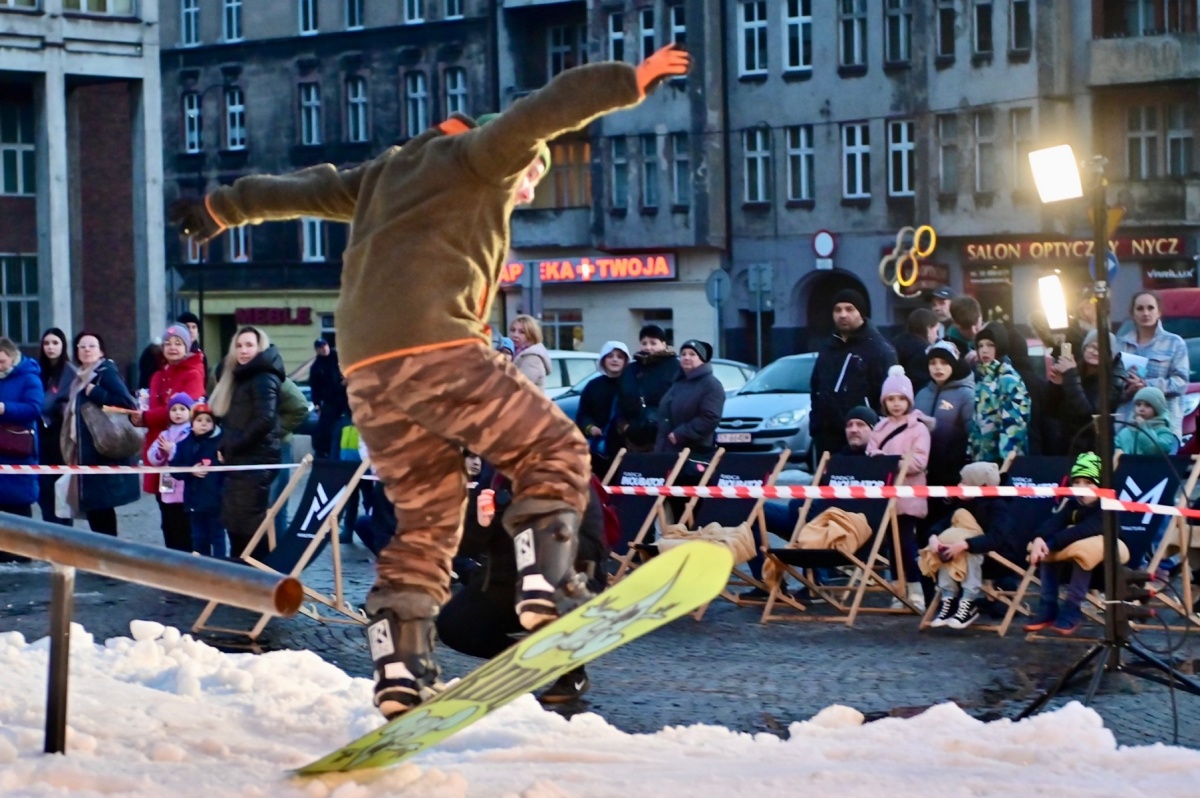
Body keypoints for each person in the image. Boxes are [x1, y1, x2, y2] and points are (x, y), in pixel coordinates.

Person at [168, 44, 692, 720]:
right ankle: (546, 582)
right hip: (437, 349)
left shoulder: (383, 173)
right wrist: (632, 80)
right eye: (529, 178)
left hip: (367, 371)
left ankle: (399, 664)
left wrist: (220, 207)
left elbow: (300, 188)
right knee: (556, 450)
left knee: (426, 519)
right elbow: (547, 109)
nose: (525, 190)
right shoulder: (480, 154)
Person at [437, 469, 611, 704]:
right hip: (506, 581)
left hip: (563, 583)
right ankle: (533, 662)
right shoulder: (495, 480)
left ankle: (572, 672)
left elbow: (596, 549)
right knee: (453, 626)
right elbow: (465, 547)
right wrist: (481, 523)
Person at [209, 326, 284, 559]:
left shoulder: (264, 377)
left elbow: (265, 419)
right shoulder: (238, 376)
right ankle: (240, 580)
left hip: (256, 462)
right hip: (240, 461)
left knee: (250, 528)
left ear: (260, 347)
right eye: (239, 345)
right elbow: (233, 421)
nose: (243, 350)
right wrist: (225, 445)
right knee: (236, 524)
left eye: (249, 345)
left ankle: (254, 581)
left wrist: (233, 444)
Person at [131, 323, 207, 552]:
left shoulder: (193, 373)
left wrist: (145, 418)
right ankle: (172, 562)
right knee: (166, 511)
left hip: (182, 453)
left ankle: (187, 563)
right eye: (168, 343)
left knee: (183, 514)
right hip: (159, 454)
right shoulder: (157, 375)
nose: (172, 348)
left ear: (187, 346)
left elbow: (179, 413)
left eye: (178, 343)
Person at [60, 331, 140, 535]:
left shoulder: (105, 372)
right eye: (82, 346)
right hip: (86, 453)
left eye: (91, 346)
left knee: (102, 510)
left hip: (102, 452)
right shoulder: (79, 378)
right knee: (95, 510)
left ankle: (109, 557)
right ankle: (103, 558)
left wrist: (95, 392)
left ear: (101, 351)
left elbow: (126, 402)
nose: (87, 350)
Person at [867, 365, 932, 611]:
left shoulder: (918, 428)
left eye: (901, 399)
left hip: (908, 494)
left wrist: (890, 462)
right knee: (892, 547)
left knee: (906, 543)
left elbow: (919, 460)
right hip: (885, 495)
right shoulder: (879, 428)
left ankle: (916, 590)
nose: (896, 404)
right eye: (891, 399)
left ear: (909, 400)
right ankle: (898, 590)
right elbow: (871, 452)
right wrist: (887, 460)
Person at [924, 462, 1016, 629]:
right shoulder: (964, 505)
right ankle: (949, 599)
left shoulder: (998, 506)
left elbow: (996, 538)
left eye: (965, 483)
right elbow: (944, 522)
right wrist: (933, 537)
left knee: (967, 550)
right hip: (970, 555)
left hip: (997, 559)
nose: (959, 486)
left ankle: (968, 602)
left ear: (980, 486)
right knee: (947, 548)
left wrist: (965, 545)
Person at [809, 288, 897, 461]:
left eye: (849, 309)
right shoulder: (828, 347)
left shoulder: (879, 349)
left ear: (861, 313)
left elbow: (889, 397)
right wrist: (816, 426)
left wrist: (876, 430)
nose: (842, 315)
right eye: (838, 309)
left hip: (862, 440)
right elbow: (816, 388)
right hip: (827, 439)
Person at [1025, 453, 1105, 636]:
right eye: (1076, 482)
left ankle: (1073, 608)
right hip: (1068, 567)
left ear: (1100, 486)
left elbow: (1085, 529)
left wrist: (1051, 542)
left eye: (1088, 482)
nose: (1080, 488)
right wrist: (1040, 539)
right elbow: (1054, 522)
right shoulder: (1072, 505)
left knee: (1083, 551)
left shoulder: (1106, 506)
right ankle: (1048, 606)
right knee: (1049, 549)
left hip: (1104, 567)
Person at [1117, 290, 1189, 438]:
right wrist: (1127, 389)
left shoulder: (1175, 343)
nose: (1145, 313)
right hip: (1127, 426)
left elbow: (1181, 383)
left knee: (1160, 461)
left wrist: (1146, 385)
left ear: (1159, 312)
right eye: (1140, 308)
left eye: (1150, 308)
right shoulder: (1120, 344)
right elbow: (1111, 386)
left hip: (1162, 426)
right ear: (1132, 314)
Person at [1046, 328, 1126, 457]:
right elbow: (1052, 411)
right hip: (1067, 446)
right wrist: (1056, 385)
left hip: (1094, 450)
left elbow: (1090, 414)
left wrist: (1070, 376)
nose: (1095, 352)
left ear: (1110, 356)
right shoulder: (1076, 370)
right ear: (1084, 348)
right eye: (1092, 347)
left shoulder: (1114, 379)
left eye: (1101, 350)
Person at [968, 322, 1030, 464]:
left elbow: (1015, 426)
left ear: (1000, 346)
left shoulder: (1009, 379)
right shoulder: (982, 379)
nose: (984, 350)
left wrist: (1004, 465)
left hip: (1003, 464)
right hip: (982, 462)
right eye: (980, 345)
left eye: (990, 345)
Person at [0, 337, 44, 537]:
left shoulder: (29, 377)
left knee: (18, 501)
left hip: (17, 447)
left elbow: (34, 408)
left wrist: (5, 408)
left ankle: (23, 550)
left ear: (12, 357)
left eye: (2, 362)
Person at [913, 341, 973, 488]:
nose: (938, 367)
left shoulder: (966, 394)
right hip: (923, 472)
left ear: (954, 364)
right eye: (933, 362)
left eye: (944, 362)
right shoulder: (922, 393)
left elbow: (973, 435)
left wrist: (936, 426)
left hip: (954, 472)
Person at [172, 402, 227, 559]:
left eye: (208, 420)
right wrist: (190, 470)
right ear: (192, 423)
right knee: (198, 537)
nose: (203, 424)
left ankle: (220, 566)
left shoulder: (221, 443)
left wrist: (225, 461)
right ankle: (203, 567)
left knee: (217, 536)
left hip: (215, 500)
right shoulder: (184, 444)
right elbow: (175, 468)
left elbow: (229, 470)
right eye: (199, 420)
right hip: (194, 501)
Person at [616, 324, 682, 452]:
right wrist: (623, 426)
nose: (648, 347)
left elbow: (680, 399)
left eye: (653, 343)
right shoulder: (631, 369)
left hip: (664, 434)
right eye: (644, 343)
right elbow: (621, 398)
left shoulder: (674, 367)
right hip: (634, 436)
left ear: (663, 344)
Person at [655, 340, 724, 456]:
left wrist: (680, 434)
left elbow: (710, 418)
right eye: (683, 354)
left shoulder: (711, 384)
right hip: (668, 450)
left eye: (692, 354)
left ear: (702, 359)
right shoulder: (678, 382)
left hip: (693, 452)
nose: (686, 357)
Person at [36, 327, 76, 526]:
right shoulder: (37, 370)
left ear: (63, 345)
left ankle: (65, 538)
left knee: (61, 493)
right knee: (43, 492)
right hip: (38, 437)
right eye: (47, 343)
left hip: (61, 438)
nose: (50, 348)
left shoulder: (70, 373)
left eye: (55, 343)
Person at [576, 340, 630, 476]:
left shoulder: (633, 385)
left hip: (626, 448)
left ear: (626, 360)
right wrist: (589, 427)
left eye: (619, 356)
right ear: (603, 360)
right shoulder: (593, 386)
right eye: (610, 356)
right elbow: (583, 414)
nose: (615, 360)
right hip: (598, 450)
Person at [145, 392, 196, 517]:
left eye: (182, 409)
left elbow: (189, 454)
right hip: (167, 479)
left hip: (186, 484)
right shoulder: (164, 434)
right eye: (173, 409)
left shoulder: (192, 433)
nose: (178, 413)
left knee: (183, 520)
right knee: (169, 515)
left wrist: (172, 450)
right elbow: (151, 456)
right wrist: (160, 454)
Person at [309, 338, 348, 460]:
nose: (324, 348)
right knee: (325, 428)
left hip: (345, 396)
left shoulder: (339, 357)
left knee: (349, 423)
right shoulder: (316, 366)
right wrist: (317, 405)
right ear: (317, 350)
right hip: (330, 400)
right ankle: (325, 453)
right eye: (320, 347)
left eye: (325, 345)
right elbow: (315, 387)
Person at [1114, 386, 1180, 456]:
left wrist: (1143, 428)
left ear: (1157, 409)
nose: (1141, 409)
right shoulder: (1124, 432)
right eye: (1138, 404)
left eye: (1147, 405)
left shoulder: (1164, 432)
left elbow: (1155, 450)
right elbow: (1115, 449)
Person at [893, 308, 939, 394]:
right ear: (928, 328)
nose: (936, 336)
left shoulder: (896, 342)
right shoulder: (925, 351)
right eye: (936, 331)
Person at [510, 314, 551, 391]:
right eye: (513, 330)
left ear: (531, 335)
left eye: (522, 332)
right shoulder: (514, 353)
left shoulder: (532, 358)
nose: (515, 335)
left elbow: (517, 386)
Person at [946, 295, 982, 364]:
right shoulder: (947, 346)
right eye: (966, 327)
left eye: (976, 325)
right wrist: (963, 364)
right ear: (955, 323)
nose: (974, 332)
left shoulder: (992, 332)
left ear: (980, 315)